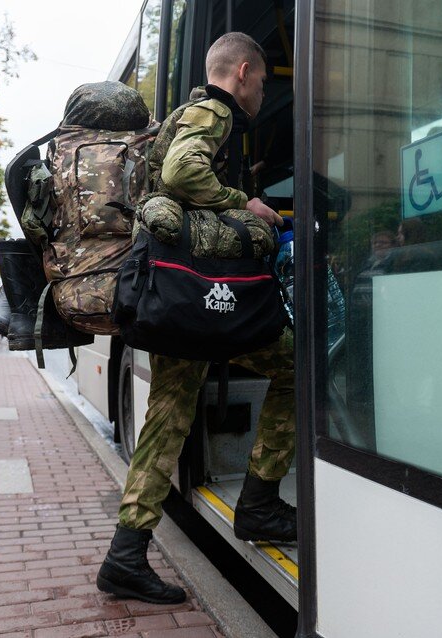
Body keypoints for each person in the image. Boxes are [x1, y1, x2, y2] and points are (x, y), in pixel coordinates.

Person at [97, 32, 294, 605]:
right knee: (292, 365)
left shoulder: (192, 114)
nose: (260, 90)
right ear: (241, 70)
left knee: (165, 420)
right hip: (200, 294)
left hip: (183, 295)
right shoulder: (214, 111)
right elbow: (183, 174)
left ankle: (125, 555)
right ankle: (258, 504)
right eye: (260, 79)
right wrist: (245, 203)